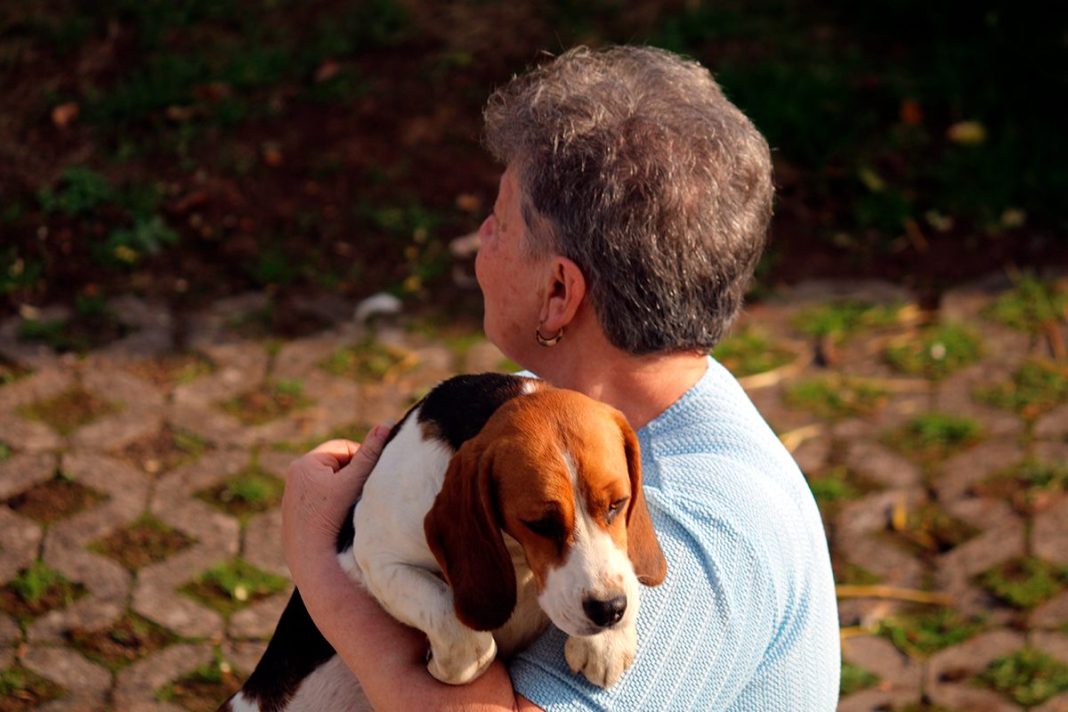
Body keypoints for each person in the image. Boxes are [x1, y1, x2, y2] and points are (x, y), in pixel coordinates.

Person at [282, 45, 840, 711]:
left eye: (501, 223)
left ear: (558, 293)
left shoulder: (695, 527)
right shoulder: (554, 416)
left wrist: (317, 561)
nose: (482, 236)